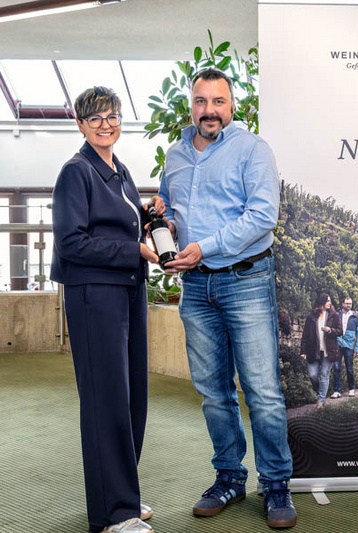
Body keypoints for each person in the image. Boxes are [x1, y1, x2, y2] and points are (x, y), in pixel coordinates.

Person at [158, 68, 296, 529]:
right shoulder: (175, 155)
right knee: (213, 393)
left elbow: (263, 217)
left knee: (262, 391)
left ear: (232, 105)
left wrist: (206, 247)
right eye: (201, 101)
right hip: (196, 287)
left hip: (246, 281)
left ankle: (276, 484)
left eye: (218, 101)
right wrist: (168, 227)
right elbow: (171, 209)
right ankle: (230, 478)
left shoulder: (253, 150)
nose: (209, 110)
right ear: (190, 105)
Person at [51, 86, 158, 533]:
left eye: (112, 116)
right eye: (95, 119)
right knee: (106, 401)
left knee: (133, 397)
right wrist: (133, 247)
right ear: (80, 124)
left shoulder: (119, 169)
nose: (106, 124)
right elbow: (72, 243)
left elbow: (126, 219)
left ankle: (122, 495)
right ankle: (113, 514)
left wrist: (150, 215)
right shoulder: (75, 172)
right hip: (95, 295)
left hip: (129, 290)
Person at [300, 294, 342, 408]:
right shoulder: (311, 316)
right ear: (322, 302)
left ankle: (320, 401)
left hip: (328, 351)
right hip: (313, 350)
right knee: (313, 375)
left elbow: (340, 331)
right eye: (327, 301)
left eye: (330, 301)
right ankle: (320, 393)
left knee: (324, 375)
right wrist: (303, 351)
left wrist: (330, 330)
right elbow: (305, 335)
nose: (329, 303)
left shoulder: (334, 315)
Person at [333, 296, 358, 398]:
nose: (348, 305)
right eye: (347, 303)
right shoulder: (337, 315)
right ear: (342, 304)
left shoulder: (355, 317)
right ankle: (337, 390)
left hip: (349, 345)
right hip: (338, 344)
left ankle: (351, 389)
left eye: (350, 303)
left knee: (349, 368)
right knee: (336, 367)